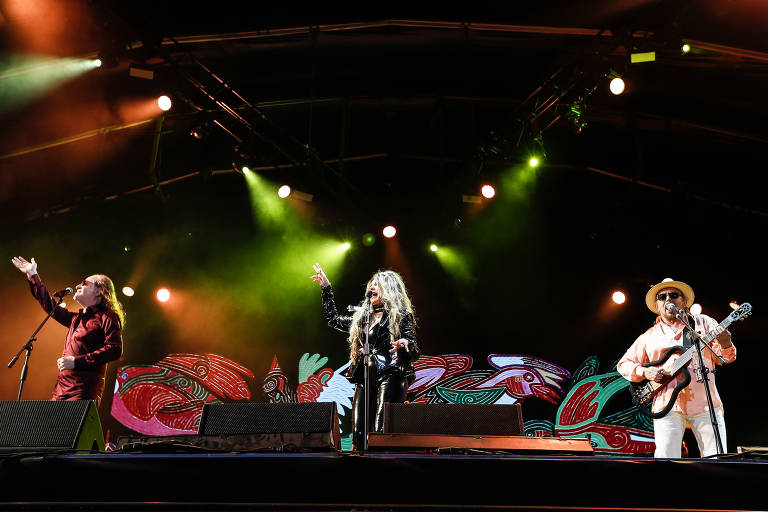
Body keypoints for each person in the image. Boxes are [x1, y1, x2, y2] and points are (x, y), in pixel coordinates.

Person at [617, 278, 736, 458]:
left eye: (674, 295)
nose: (668, 300)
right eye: (662, 297)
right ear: (657, 305)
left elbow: (726, 358)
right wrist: (645, 371)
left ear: (684, 301)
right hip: (667, 405)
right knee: (666, 462)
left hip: (706, 403)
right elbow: (623, 364)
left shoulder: (704, 324)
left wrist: (726, 343)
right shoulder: (649, 336)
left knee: (717, 460)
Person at [311, 263, 420, 449]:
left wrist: (404, 344)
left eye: (377, 284)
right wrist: (326, 289)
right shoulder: (362, 317)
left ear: (389, 289)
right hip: (365, 376)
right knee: (358, 429)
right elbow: (333, 319)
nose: (372, 287)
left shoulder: (401, 315)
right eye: (371, 284)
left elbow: (414, 349)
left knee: (380, 428)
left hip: (391, 374)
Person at [11, 256, 124, 405]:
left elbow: (115, 349)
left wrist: (76, 362)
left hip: (82, 392)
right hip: (60, 391)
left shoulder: (108, 316)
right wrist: (33, 275)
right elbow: (49, 305)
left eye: (84, 283)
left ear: (99, 291)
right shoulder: (76, 318)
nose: (78, 285)